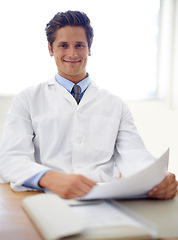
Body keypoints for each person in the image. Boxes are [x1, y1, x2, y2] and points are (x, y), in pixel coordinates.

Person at [0, 11, 177, 200]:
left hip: (102, 198)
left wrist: (157, 177)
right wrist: (49, 177)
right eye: (63, 45)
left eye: (79, 45)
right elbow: (10, 159)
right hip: (46, 197)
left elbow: (134, 153)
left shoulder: (115, 104)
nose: (72, 53)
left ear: (89, 49)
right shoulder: (27, 99)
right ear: (51, 50)